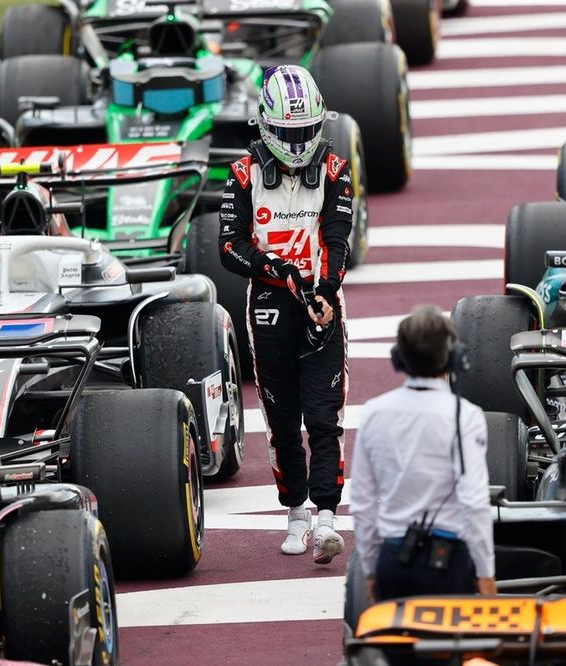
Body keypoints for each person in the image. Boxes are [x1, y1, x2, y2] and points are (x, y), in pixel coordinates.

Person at [219, 64, 352, 564]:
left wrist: (323, 287)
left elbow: (339, 240)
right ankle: (294, 512)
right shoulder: (240, 175)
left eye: (304, 133)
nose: (297, 145)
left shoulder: (336, 171)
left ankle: (326, 519)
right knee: (281, 419)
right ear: (266, 127)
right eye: (287, 133)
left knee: (324, 416)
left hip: (321, 306)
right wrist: (278, 270)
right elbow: (228, 248)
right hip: (270, 307)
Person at [349, 306, 496, 602]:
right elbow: (474, 501)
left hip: (391, 558)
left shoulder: (373, 412)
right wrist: (486, 573)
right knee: (452, 648)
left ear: (399, 357)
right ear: (453, 357)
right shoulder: (465, 415)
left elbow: (362, 502)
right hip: (447, 561)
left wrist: (370, 568)